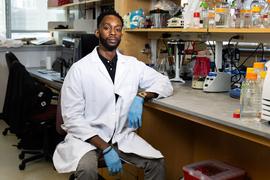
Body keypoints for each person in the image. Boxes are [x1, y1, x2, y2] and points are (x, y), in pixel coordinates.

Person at [53, 10, 173, 180]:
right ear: (97, 32)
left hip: (119, 137)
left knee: (157, 164)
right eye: (107, 28)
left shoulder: (131, 64)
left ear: (121, 35)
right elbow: (72, 118)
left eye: (117, 29)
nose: (113, 33)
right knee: (87, 170)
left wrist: (142, 96)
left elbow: (164, 83)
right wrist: (105, 148)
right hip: (87, 138)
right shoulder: (80, 69)